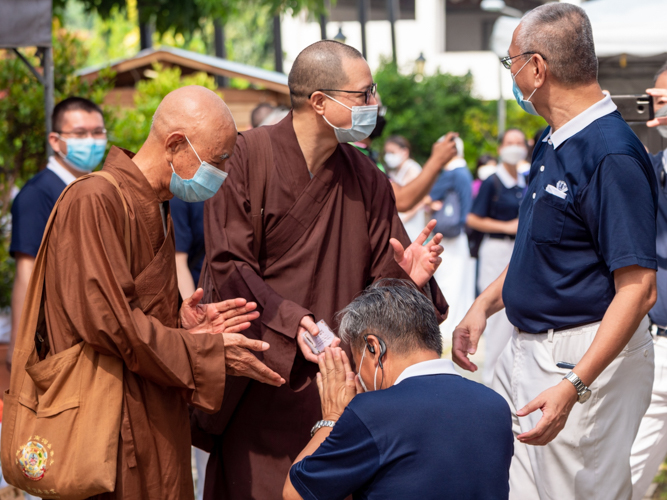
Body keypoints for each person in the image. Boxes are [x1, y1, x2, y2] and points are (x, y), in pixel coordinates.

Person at [193, 40, 448, 500]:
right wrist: (292, 322)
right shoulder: (246, 158)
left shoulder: (367, 177)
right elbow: (228, 264)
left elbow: (384, 289)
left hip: (340, 382)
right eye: (364, 94)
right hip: (262, 375)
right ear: (319, 102)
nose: (375, 104)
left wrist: (409, 280)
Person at [38, 86, 286, 499]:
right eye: (218, 159)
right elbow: (109, 325)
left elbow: (133, 312)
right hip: (108, 427)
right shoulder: (94, 199)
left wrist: (180, 322)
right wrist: (204, 352)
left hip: (154, 417)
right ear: (175, 145)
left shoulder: (155, 204)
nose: (224, 172)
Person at [453, 4, 658, 499]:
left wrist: (575, 386)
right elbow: (539, 249)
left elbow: (639, 290)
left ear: (537, 67)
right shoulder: (553, 139)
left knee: (576, 491)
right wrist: (483, 305)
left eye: (511, 64)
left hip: (579, 354)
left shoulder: (609, 154)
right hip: (530, 347)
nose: (512, 77)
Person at [283, 281, 514, 500]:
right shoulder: (495, 405)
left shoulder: (372, 412)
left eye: (357, 360)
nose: (359, 377)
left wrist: (332, 417)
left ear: (373, 347)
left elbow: (295, 493)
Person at [8, 97, 107, 370]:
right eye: (79, 133)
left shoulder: (90, 190)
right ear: (55, 140)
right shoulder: (38, 195)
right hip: (52, 343)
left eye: (97, 132)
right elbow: (27, 273)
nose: (90, 140)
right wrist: (20, 348)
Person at [630, 62, 667, 500]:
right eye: (656, 99)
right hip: (654, 348)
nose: (656, 108)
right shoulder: (647, 169)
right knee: (628, 479)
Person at [466, 128, 527, 386]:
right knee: (497, 316)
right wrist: (507, 227)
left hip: (520, 249)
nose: (515, 147)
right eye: (509, 143)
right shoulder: (492, 181)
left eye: (519, 143)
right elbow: (472, 219)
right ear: (501, 148)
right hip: (496, 249)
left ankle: (511, 379)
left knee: (515, 315)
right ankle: (491, 379)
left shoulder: (526, 180)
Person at [429, 137, 475, 343]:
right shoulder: (464, 172)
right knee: (458, 285)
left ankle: (445, 331)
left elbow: (430, 195)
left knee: (447, 284)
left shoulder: (452, 173)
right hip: (458, 236)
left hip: (448, 237)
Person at [383, 136, 427, 241]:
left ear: (405, 152)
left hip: (410, 226)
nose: (389, 156)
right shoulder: (395, 171)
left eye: (392, 152)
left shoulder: (413, 168)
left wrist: (401, 220)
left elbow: (419, 200)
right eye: (387, 152)